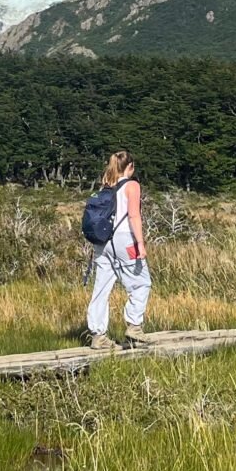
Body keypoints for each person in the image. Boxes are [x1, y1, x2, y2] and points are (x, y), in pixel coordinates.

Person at [85, 150, 151, 350]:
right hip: (125, 240)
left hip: (102, 242)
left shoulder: (107, 184)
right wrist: (140, 243)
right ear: (130, 167)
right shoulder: (132, 185)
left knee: (101, 288)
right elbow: (134, 216)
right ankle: (134, 327)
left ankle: (98, 335)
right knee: (141, 283)